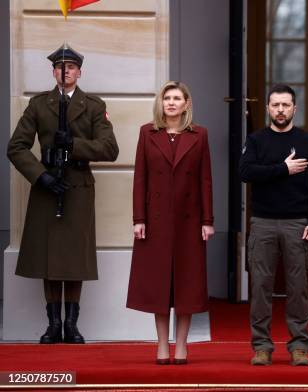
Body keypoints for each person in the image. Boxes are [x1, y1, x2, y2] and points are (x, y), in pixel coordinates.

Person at [7, 44, 119, 344]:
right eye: (59, 66)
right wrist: (40, 175)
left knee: (74, 258)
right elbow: (15, 146)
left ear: (79, 72)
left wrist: (75, 145)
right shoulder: (38, 105)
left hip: (78, 186)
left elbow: (110, 148)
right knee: (50, 257)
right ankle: (53, 324)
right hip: (47, 186)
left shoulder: (93, 105)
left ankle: (72, 324)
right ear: (53, 71)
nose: (65, 71)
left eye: (70, 66)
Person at [126, 81, 214, 365]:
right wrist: (139, 218)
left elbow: (205, 180)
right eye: (167, 98)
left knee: (187, 284)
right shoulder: (147, 133)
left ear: (187, 103)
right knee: (159, 284)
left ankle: (182, 345)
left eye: (177, 98)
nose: (172, 103)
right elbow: (140, 178)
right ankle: (162, 344)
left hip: (189, 221)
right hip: (156, 221)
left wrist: (207, 220)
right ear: (161, 103)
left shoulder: (200, 135)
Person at [239, 84, 308, 366]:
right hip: (263, 223)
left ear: (294, 109)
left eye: (285, 105)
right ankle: (261, 346)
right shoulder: (255, 140)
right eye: (275, 105)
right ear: (267, 108)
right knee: (261, 287)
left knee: (298, 288)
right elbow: (245, 171)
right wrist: (283, 169)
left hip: (297, 223)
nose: (280, 110)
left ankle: (300, 345)